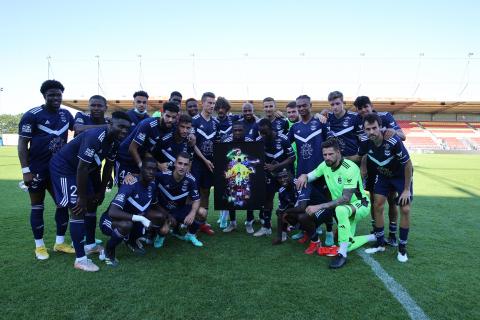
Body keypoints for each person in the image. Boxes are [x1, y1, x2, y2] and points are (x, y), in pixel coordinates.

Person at [50, 111, 131, 272]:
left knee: (92, 204)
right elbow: (81, 167)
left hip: (82, 171)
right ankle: (80, 259)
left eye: (126, 128)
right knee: (77, 209)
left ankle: (91, 245)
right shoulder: (95, 136)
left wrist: (101, 191)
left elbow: (108, 166)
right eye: (120, 126)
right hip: (65, 169)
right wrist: (81, 197)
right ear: (110, 124)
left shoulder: (115, 142)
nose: (124, 131)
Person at [18, 79, 75, 260]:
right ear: (44, 96)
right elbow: (22, 143)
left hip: (58, 170)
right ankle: (40, 246)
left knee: (63, 204)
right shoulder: (32, 115)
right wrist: (25, 170)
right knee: (37, 207)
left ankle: (59, 243)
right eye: (51, 95)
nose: (56, 98)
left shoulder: (66, 114)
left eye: (58, 94)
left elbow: (79, 129)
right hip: (36, 169)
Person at [296, 138, 374, 269]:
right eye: (325, 154)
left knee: (341, 210)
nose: (327, 157)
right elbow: (312, 175)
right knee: (347, 243)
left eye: (330, 154)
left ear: (338, 152)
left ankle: (341, 255)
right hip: (345, 207)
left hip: (361, 204)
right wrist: (304, 176)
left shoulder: (350, 168)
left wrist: (319, 206)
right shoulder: (325, 165)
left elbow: (346, 198)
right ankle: (374, 236)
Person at [360, 113, 413, 263]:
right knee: (377, 205)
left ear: (380, 127)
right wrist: (363, 168)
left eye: (374, 128)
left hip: (400, 176)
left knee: (405, 208)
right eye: (368, 129)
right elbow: (363, 155)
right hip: (382, 174)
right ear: (364, 129)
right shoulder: (365, 141)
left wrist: (406, 189)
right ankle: (380, 243)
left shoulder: (392, 140)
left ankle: (402, 248)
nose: (371, 132)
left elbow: (408, 164)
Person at [354, 95, 405, 246]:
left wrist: (392, 131)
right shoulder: (357, 120)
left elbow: (403, 136)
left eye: (366, 107)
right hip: (371, 164)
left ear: (371, 106)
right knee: (374, 200)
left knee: (391, 199)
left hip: (389, 163)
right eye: (360, 108)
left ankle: (393, 234)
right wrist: (322, 112)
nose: (363, 110)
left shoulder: (385, 117)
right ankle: (376, 230)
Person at [99, 157, 169, 266]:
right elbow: (112, 212)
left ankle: (131, 241)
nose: (151, 172)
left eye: (154, 169)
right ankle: (109, 251)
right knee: (126, 224)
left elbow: (154, 204)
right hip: (110, 220)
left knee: (159, 216)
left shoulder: (152, 185)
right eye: (148, 168)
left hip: (132, 219)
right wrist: (141, 218)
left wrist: (167, 216)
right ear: (141, 169)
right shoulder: (129, 184)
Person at [287, 95, 333, 243]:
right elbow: (284, 143)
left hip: (321, 171)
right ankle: (306, 230)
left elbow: (331, 143)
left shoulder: (320, 122)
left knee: (325, 200)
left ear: (310, 105)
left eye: (304, 105)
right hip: (302, 172)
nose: (301, 108)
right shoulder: (294, 127)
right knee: (304, 203)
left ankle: (330, 231)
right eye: (299, 106)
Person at [115, 102, 179, 185]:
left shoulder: (171, 128)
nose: (170, 120)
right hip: (125, 158)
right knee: (126, 187)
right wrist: (142, 167)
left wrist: (158, 164)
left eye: (173, 117)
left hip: (141, 158)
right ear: (162, 113)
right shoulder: (148, 124)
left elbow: (146, 151)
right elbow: (132, 148)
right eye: (168, 116)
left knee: (141, 188)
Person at [253, 118, 295, 237]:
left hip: (284, 175)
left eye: (265, 132)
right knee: (268, 199)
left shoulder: (283, 139)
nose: (263, 135)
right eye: (261, 132)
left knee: (286, 200)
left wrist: (276, 166)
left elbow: (292, 157)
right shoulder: (259, 140)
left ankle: (285, 227)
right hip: (269, 175)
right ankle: (266, 226)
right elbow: (256, 158)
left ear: (271, 129)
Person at [155, 152, 207, 247]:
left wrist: (192, 213)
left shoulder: (191, 180)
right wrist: (131, 176)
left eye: (185, 164)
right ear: (175, 163)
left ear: (188, 166)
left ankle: (190, 235)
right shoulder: (163, 175)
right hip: (163, 211)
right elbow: (146, 177)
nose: (182, 167)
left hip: (179, 210)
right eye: (180, 163)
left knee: (202, 212)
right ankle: (160, 236)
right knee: (164, 230)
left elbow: (197, 199)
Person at [191, 92, 218, 235]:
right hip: (197, 164)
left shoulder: (215, 123)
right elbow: (193, 145)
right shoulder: (194, 121)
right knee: (194, 193)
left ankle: (203, 222)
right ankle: (192, 222)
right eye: (209, 103)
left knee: (206, 192)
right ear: (202, 103)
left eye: (213, 103)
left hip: (210, 164)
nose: (212, 106)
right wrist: (205, 160)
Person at [221, 121, 255, 233]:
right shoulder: (226, 141)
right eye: (235, 130)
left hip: (245, 175)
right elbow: (222, 156)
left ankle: (249, 222)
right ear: (232, 131)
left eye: (240, 130)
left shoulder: (251, 142)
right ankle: (232, 223)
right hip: (233, 174)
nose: (237, 132)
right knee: (232, 196)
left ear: (244, 130)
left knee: (247, 196)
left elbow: (255, 156)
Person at [325, 91, 362, 162]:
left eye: (337, 103)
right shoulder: (327, 117)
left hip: (352, 159)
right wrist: (318, 115)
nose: (335, 107)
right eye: (332, 104)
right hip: (335, 161)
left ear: (343, 103)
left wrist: (360, 156)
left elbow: (363, 139)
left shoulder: (354, 117)